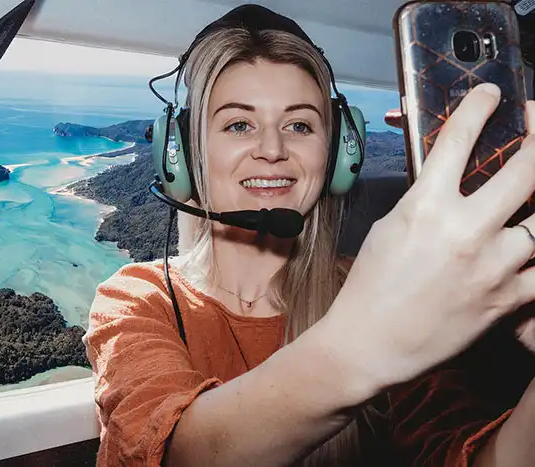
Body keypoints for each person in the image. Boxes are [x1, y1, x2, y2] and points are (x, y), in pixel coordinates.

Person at [82, 4, 535, 466]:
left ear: (340, 153)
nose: (273, 150)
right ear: (182, 154)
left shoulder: (379, 286)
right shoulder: (138, 299)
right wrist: (364, 346)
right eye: (239, 124)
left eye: (299, 125)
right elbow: (173, 455)